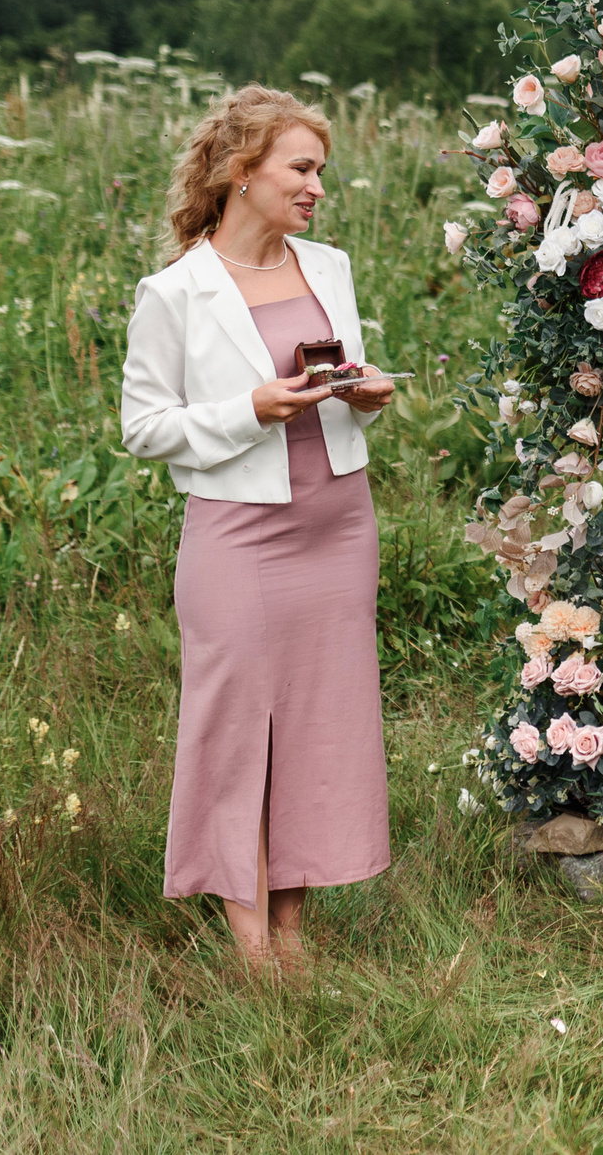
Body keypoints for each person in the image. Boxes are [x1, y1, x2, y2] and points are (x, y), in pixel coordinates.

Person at [119, 85, 397, 968]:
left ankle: (290, 929)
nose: (318, 187)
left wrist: (369, 394)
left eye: (322, 170)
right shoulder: (175, 292)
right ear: (244, 172)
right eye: (302, 168)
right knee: (237, 725)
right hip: (238, 537)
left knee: (320, 721)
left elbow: (339, 393)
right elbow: (144, 426)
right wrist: (248, 409)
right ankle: (247, 937)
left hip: (338, 525)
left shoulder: (332, 266)